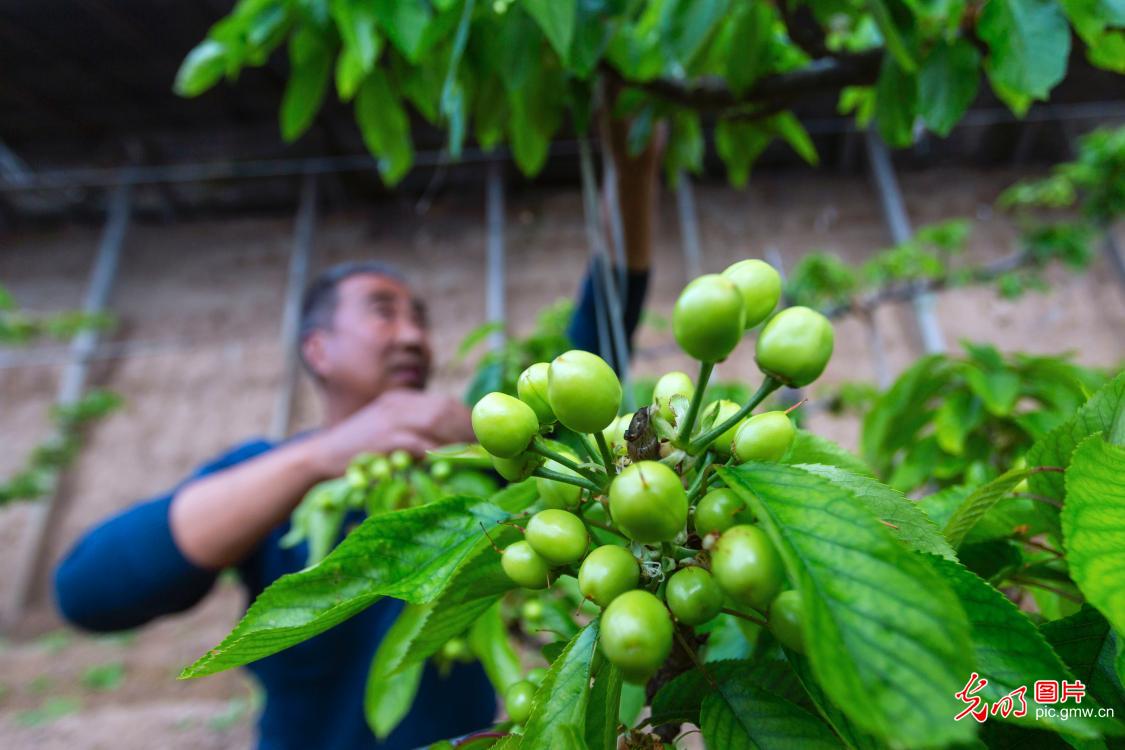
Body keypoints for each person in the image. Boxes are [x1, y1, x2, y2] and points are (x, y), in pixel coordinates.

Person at [54, 248, 651, 749]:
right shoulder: (263, 473)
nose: (415, 334)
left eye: (420, 318)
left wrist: (629, 200)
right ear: (318, 350)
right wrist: (321, 455)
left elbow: (583, 388)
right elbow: (87, 591)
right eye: (383, 313)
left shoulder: (484, 465)